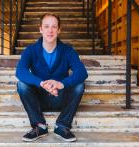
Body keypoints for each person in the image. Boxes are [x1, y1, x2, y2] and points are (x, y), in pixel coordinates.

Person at [16, 13, 88, 142]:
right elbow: (20, 71)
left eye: (54, 27)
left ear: (59, 30)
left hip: (60, 98)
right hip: (38, 99)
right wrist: (41, 83)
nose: (50, 30)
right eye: (46, 26)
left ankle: (62, 125)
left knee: (79, 85)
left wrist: (61, 84)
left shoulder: (68, 50)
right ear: (40, 29)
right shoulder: (30, 50)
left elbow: (82, 72)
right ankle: (39, 126)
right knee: (21, 85)